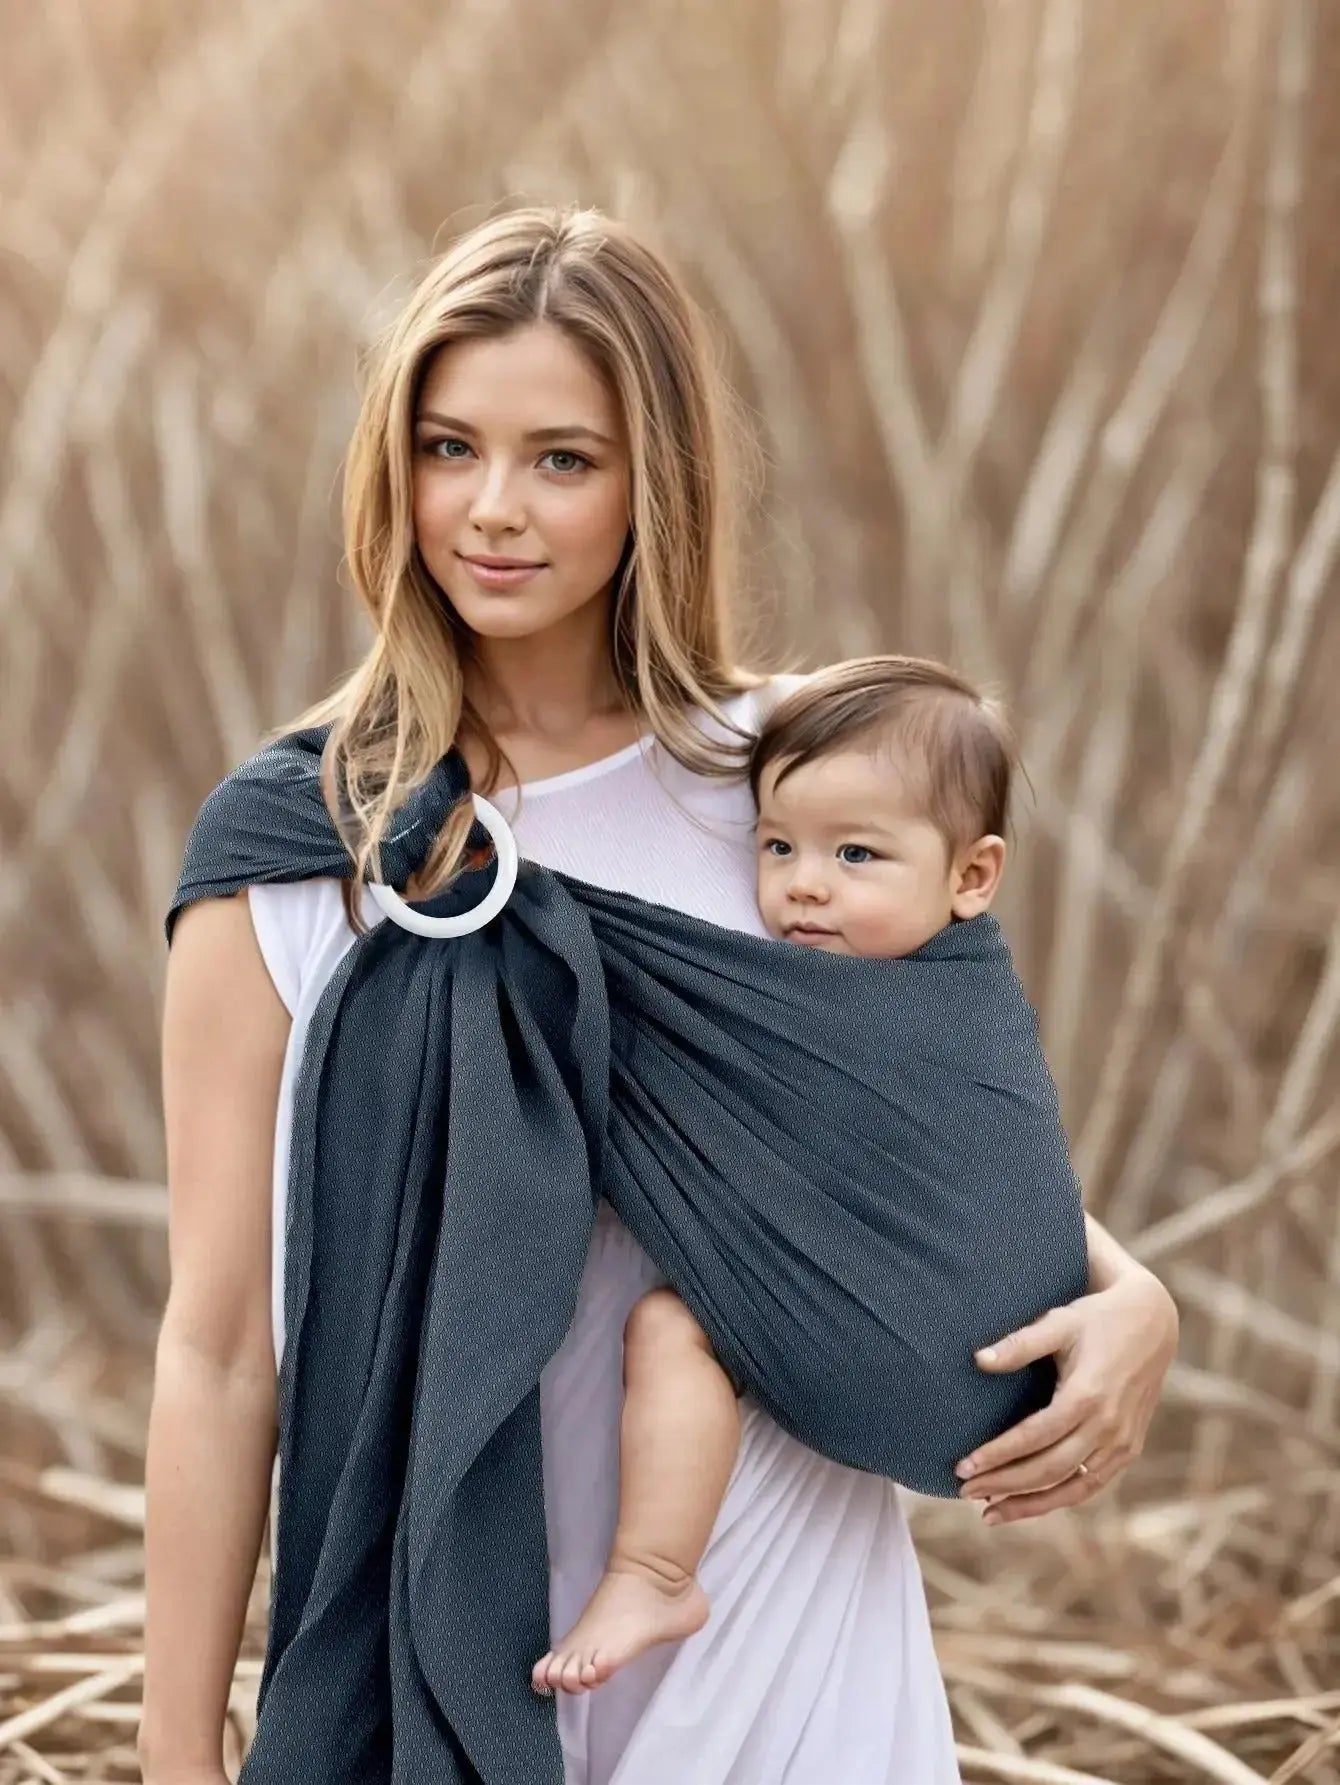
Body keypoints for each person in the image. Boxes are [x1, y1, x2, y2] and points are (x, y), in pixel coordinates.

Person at [142, 203, 1180, 1785]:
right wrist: (173, 1753)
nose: (492, 510)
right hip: (437, 1611)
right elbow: (219, 1350)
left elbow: (924, 1124)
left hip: (772, 1592)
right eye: (448, 447)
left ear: (655, 483)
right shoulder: (298, 852)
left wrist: (1132, 1293)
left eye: (564, 457)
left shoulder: (787, 790)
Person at [529, 652, 1030, 1700]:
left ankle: (656, 1570)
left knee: (673, 1329)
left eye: (854, 854)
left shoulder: (941, 1008)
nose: (803, 882)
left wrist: (1131, 1300)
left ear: (970, 878)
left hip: (957, 1335)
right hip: (906, 1345)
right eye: (776, 846)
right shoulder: (792, 985)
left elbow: (995, 1165)